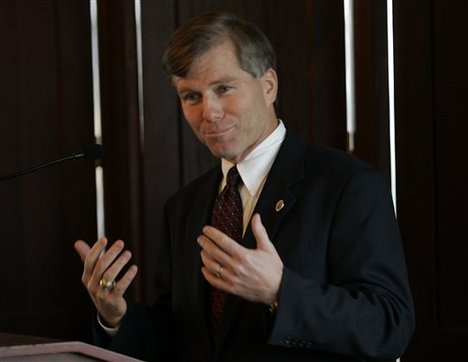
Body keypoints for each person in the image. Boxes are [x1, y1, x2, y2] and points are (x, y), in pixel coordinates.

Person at [74, 12, 414, 362]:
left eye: (223, 88)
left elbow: (388, 326)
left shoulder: (347, 184)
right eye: (191, 96)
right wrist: (116, 317)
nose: (210, 112)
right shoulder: (183, 206)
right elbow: (178, 337)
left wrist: (280, 291)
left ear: (269, 86)